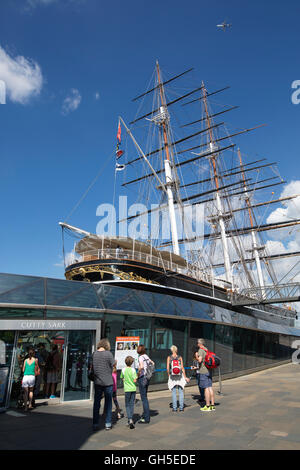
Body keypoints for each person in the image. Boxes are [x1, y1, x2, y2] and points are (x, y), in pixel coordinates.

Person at [92, 338, 114, 431]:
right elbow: (112, 365)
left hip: (97, 382)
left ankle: (95, 423)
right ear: (107, 345)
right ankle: (108, 423)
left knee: (97, 402)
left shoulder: (94, 354)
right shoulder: (109, 354)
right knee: (108, 403)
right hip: (108, 382)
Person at [167, 345, 190, 412]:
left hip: (172, 376)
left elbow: (168, 368)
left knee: (174, 392)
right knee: (181, 391)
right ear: (176, 350)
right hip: (180, 376)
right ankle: (181, 408)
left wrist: (169, 375)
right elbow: (182, 368)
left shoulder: (169, 357)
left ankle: (174, 408)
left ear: (171, 350)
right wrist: (185, 377)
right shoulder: (180, 357)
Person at [196, 338, 215, 412]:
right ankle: (212, 405)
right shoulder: (206, 349)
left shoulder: (201, 350)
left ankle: (207, 406)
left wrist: (197, 356)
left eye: (197, 343)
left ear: (200, 344)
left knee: (206, 388)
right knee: (210, 387)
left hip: (203, 371)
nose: (197, 344)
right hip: (209, 371)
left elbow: (200, 360)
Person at [137, 345, 154, 424]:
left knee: (144, 398)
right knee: (145, 397)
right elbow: (152, 363)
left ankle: (146, 418)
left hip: (142, 378)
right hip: (147, 378)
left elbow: (142, 366)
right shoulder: (146, 356)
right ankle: (145, 414)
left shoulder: (140, 357)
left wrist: (138, 373)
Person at [120, 356, 137, 429]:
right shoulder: (133, 370)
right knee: (131, 404)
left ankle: (129, 419)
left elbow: (122, 377)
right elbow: (135, 380)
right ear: (132, 362)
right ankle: (131, 419)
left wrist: (124, 380)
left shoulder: (123, 370)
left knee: (127, 404)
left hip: (127, 389)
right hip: (133, 388)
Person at [22, 347, 39, 411]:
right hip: (32, 376)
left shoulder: (25, 360)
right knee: (31, 391)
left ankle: (25, 407)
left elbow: (23, 370)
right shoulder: (35, 360)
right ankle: (30, 404)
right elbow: (37, 368)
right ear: (33, 353)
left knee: (25, 392)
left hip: (25, 377)